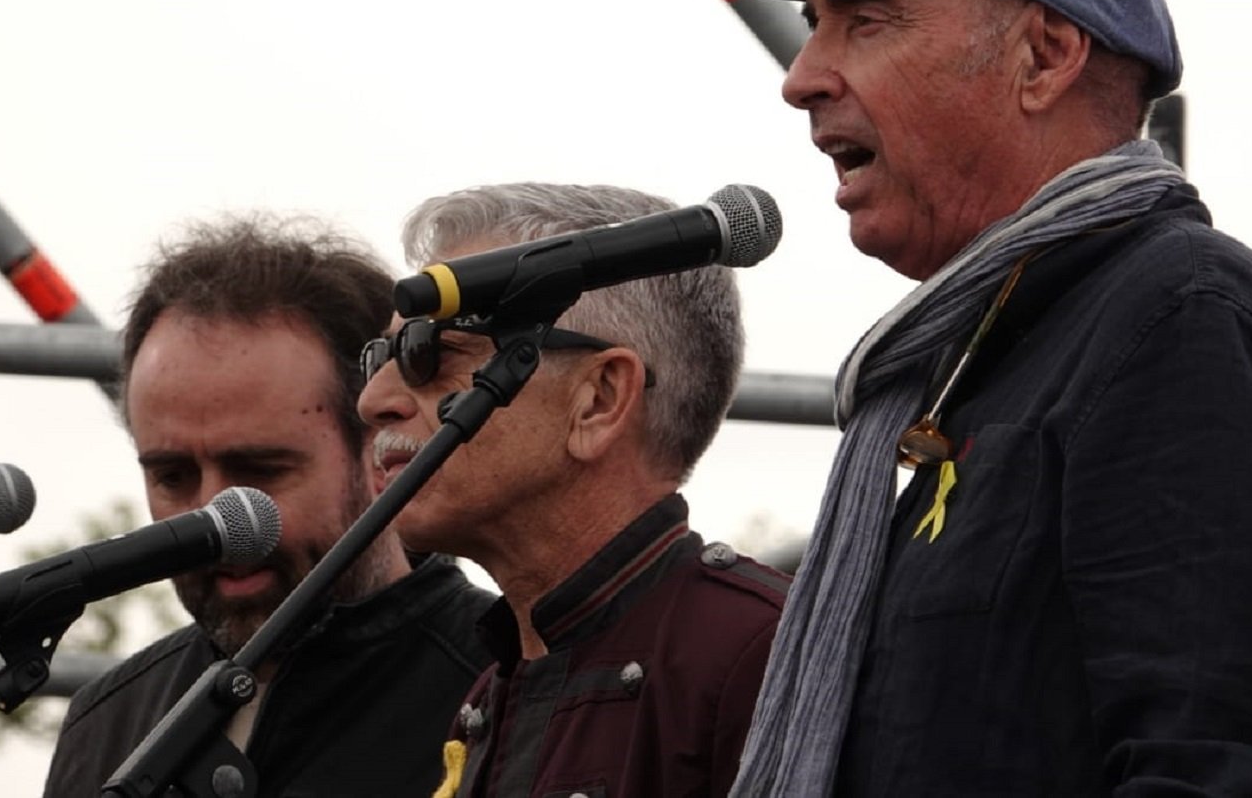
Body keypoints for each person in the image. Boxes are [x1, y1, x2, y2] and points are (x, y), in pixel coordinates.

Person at [724, 0, 1252, 796]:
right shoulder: (972, 363)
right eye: (810, 29)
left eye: (862, 20)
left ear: (1043, 56)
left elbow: (1225, 768)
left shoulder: (1178, 320)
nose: (802, 78)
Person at [357, 183, 789, 798]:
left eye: (430, 353)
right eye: (378, 359)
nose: (372, 401)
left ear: (599, 399)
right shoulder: (491, 692)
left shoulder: (763, 657)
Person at [42, 215, 496, 796]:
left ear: (381, 449)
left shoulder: (505, 694)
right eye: (172, 476)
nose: (214, 518)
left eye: (260, 471)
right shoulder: (108, 722)